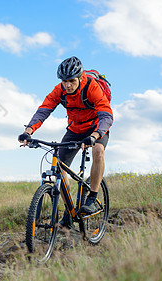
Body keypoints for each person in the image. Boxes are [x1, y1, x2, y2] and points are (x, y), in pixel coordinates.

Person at [18, 56, 113, 228]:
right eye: (64, 81)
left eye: (71, 81)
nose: (67, 85)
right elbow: (44, 110)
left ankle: (92, 197)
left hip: (95, 129)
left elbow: (106, 115)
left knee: (98, 151)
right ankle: (69, 213)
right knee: (59, 168)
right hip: (74, 130)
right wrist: (29, 130)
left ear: (80, 77)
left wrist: (95, 135)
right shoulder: (60, 90)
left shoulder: (91, 87)